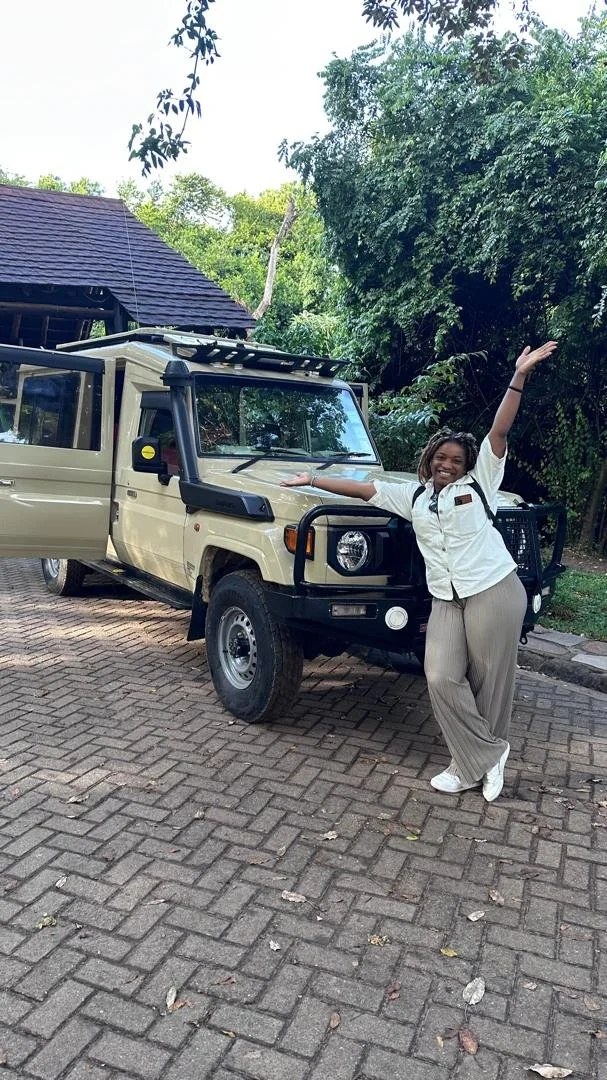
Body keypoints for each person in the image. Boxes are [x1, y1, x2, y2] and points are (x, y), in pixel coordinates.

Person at [281, 341, 557, 802]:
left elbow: (499, 430)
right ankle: (489, 754)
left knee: (490, 680)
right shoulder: (413, 497)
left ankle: (469, 766)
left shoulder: (481, 483)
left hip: (493, 588)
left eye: (456, 460)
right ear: (429, 460)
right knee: (440, 674)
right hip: (446, 597)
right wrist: (311, 479)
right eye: (440, 458)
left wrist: (519, 376)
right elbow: (365, 489)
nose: (447, 465)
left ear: (466, 466)